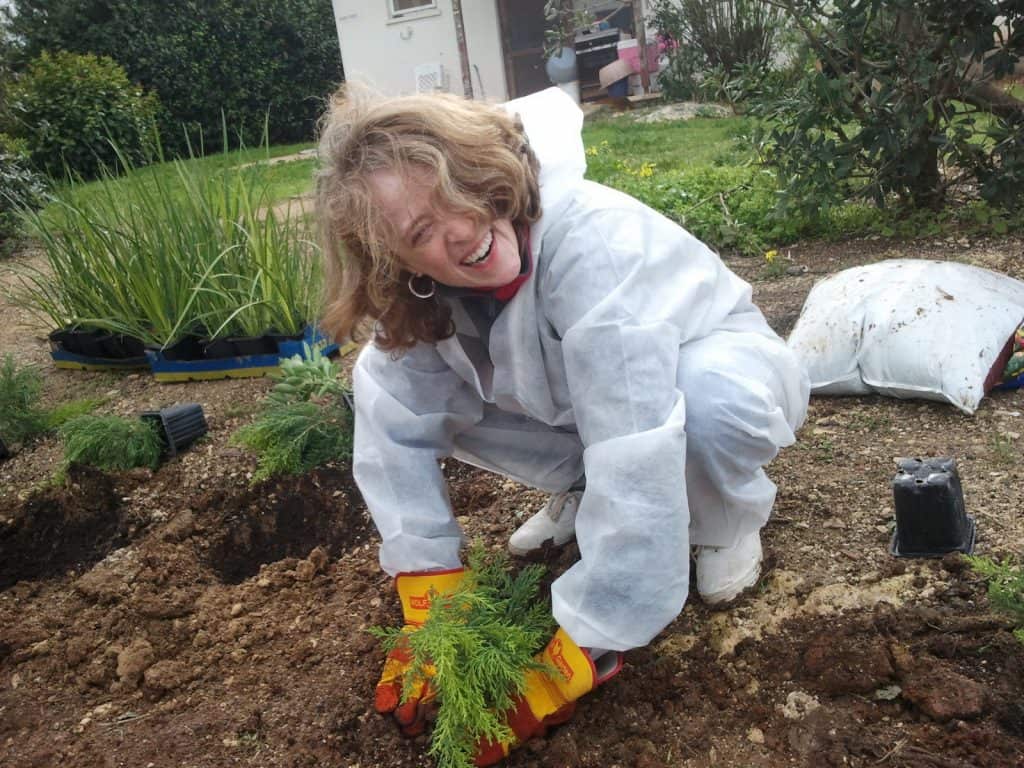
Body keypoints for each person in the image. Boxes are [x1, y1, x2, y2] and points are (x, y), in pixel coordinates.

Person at [315, 84, 809, 764]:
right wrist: (430, 590)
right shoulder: (428, 298)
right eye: (419, 233)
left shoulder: (586, 240)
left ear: (483, 167)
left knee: (706, 402)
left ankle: (723, 517)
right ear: (396, 262)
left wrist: (586, 643)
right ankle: (585, 497)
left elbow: (634, 434)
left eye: (455, 193)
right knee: (389, 380)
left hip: (719, 369)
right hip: (598, 407)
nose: (457, 230)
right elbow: (393, 425)